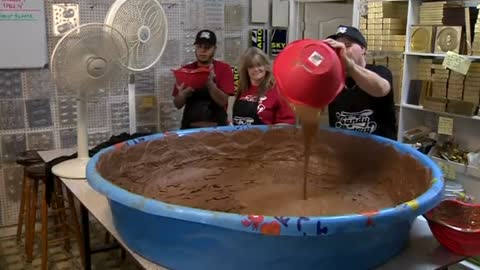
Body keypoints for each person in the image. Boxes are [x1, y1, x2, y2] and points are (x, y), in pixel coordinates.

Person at [324, 25, 397, 140]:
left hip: (379, 153)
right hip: (342, 152)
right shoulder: (333, 78)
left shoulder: (381, 71)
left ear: (363, 49)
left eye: (347, 46)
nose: (341, 51)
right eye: (338, 49)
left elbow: (381, 89)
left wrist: (350, 65)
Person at [173, 29, 235, 129]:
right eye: (199, 47)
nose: (202, 50)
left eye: (207, 47)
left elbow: (223, 101)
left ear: (214, 49)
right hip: (190, 128)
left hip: (217, 129)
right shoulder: (185, 70)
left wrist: (209, 83)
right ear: (195, 48)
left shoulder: (224, 69)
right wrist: (182, 95)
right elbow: (177, 104)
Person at [232, 47, 296, 126]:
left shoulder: (278, 91)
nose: (256, 69)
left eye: (259, 65)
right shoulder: (242, 89)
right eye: (251, 66)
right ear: (245, 70)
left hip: (267, 137)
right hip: (239, 136)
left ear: (266, 66)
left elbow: (288, 123)